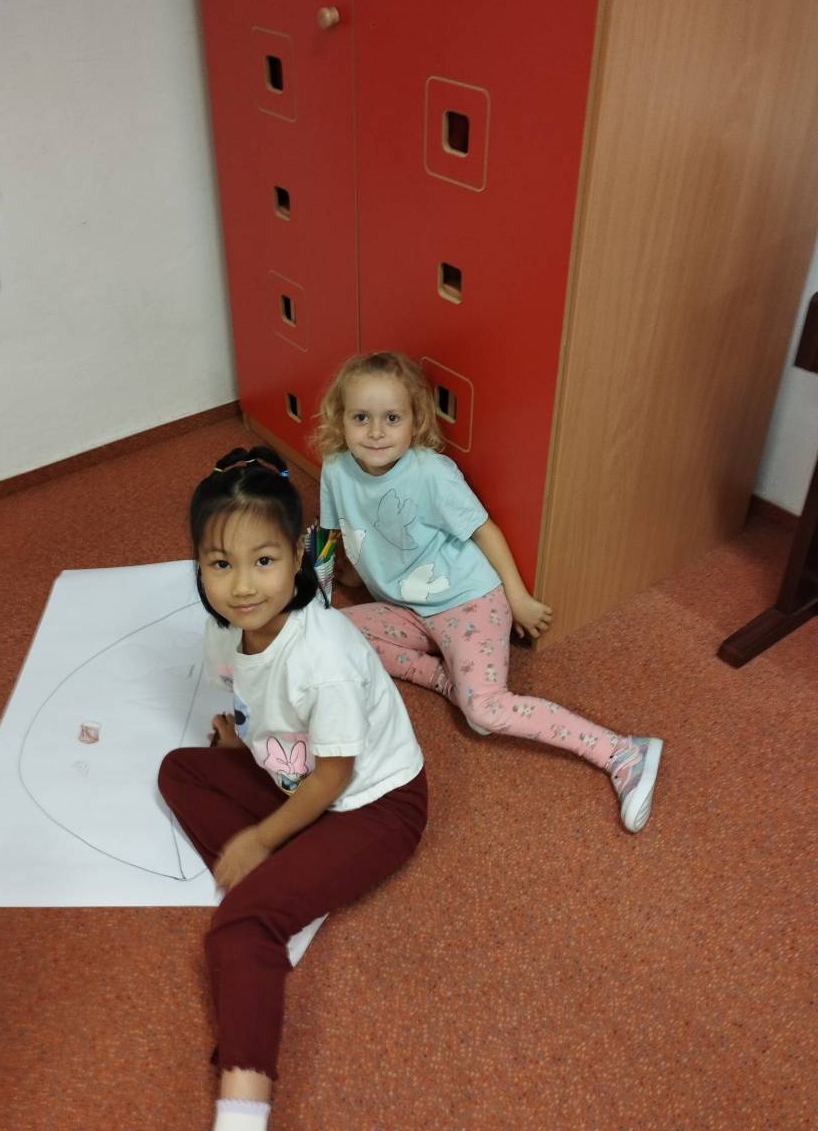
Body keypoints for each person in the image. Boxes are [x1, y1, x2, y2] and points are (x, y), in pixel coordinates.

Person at [158, 446, 427, 1131]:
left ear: (297, 557)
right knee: (179, 770)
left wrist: (259, 839)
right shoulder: (228, 632)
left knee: (239, 929)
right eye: (221, 564)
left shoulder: (323, 654)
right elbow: (264, 707)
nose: (242, 585)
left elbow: (335, 775)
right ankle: (291, 889)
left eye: (264, 560)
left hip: (375, 806)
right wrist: (240, 746)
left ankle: (243, 1114)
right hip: (301, 785)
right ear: (198, 566)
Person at [315, 351, 662, 834]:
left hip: (467, 600)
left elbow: (485, 531)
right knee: (329, 632)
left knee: (484, 708)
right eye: (361, 418)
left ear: (415, 421)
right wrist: (329, 594)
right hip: (407, 607)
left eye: (391, 418)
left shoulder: (431, 473)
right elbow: (330, 535)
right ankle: (450, 682)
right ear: (341, 420)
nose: (375, 432)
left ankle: (623, 751)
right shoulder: (336, 468)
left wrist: (517, 599)